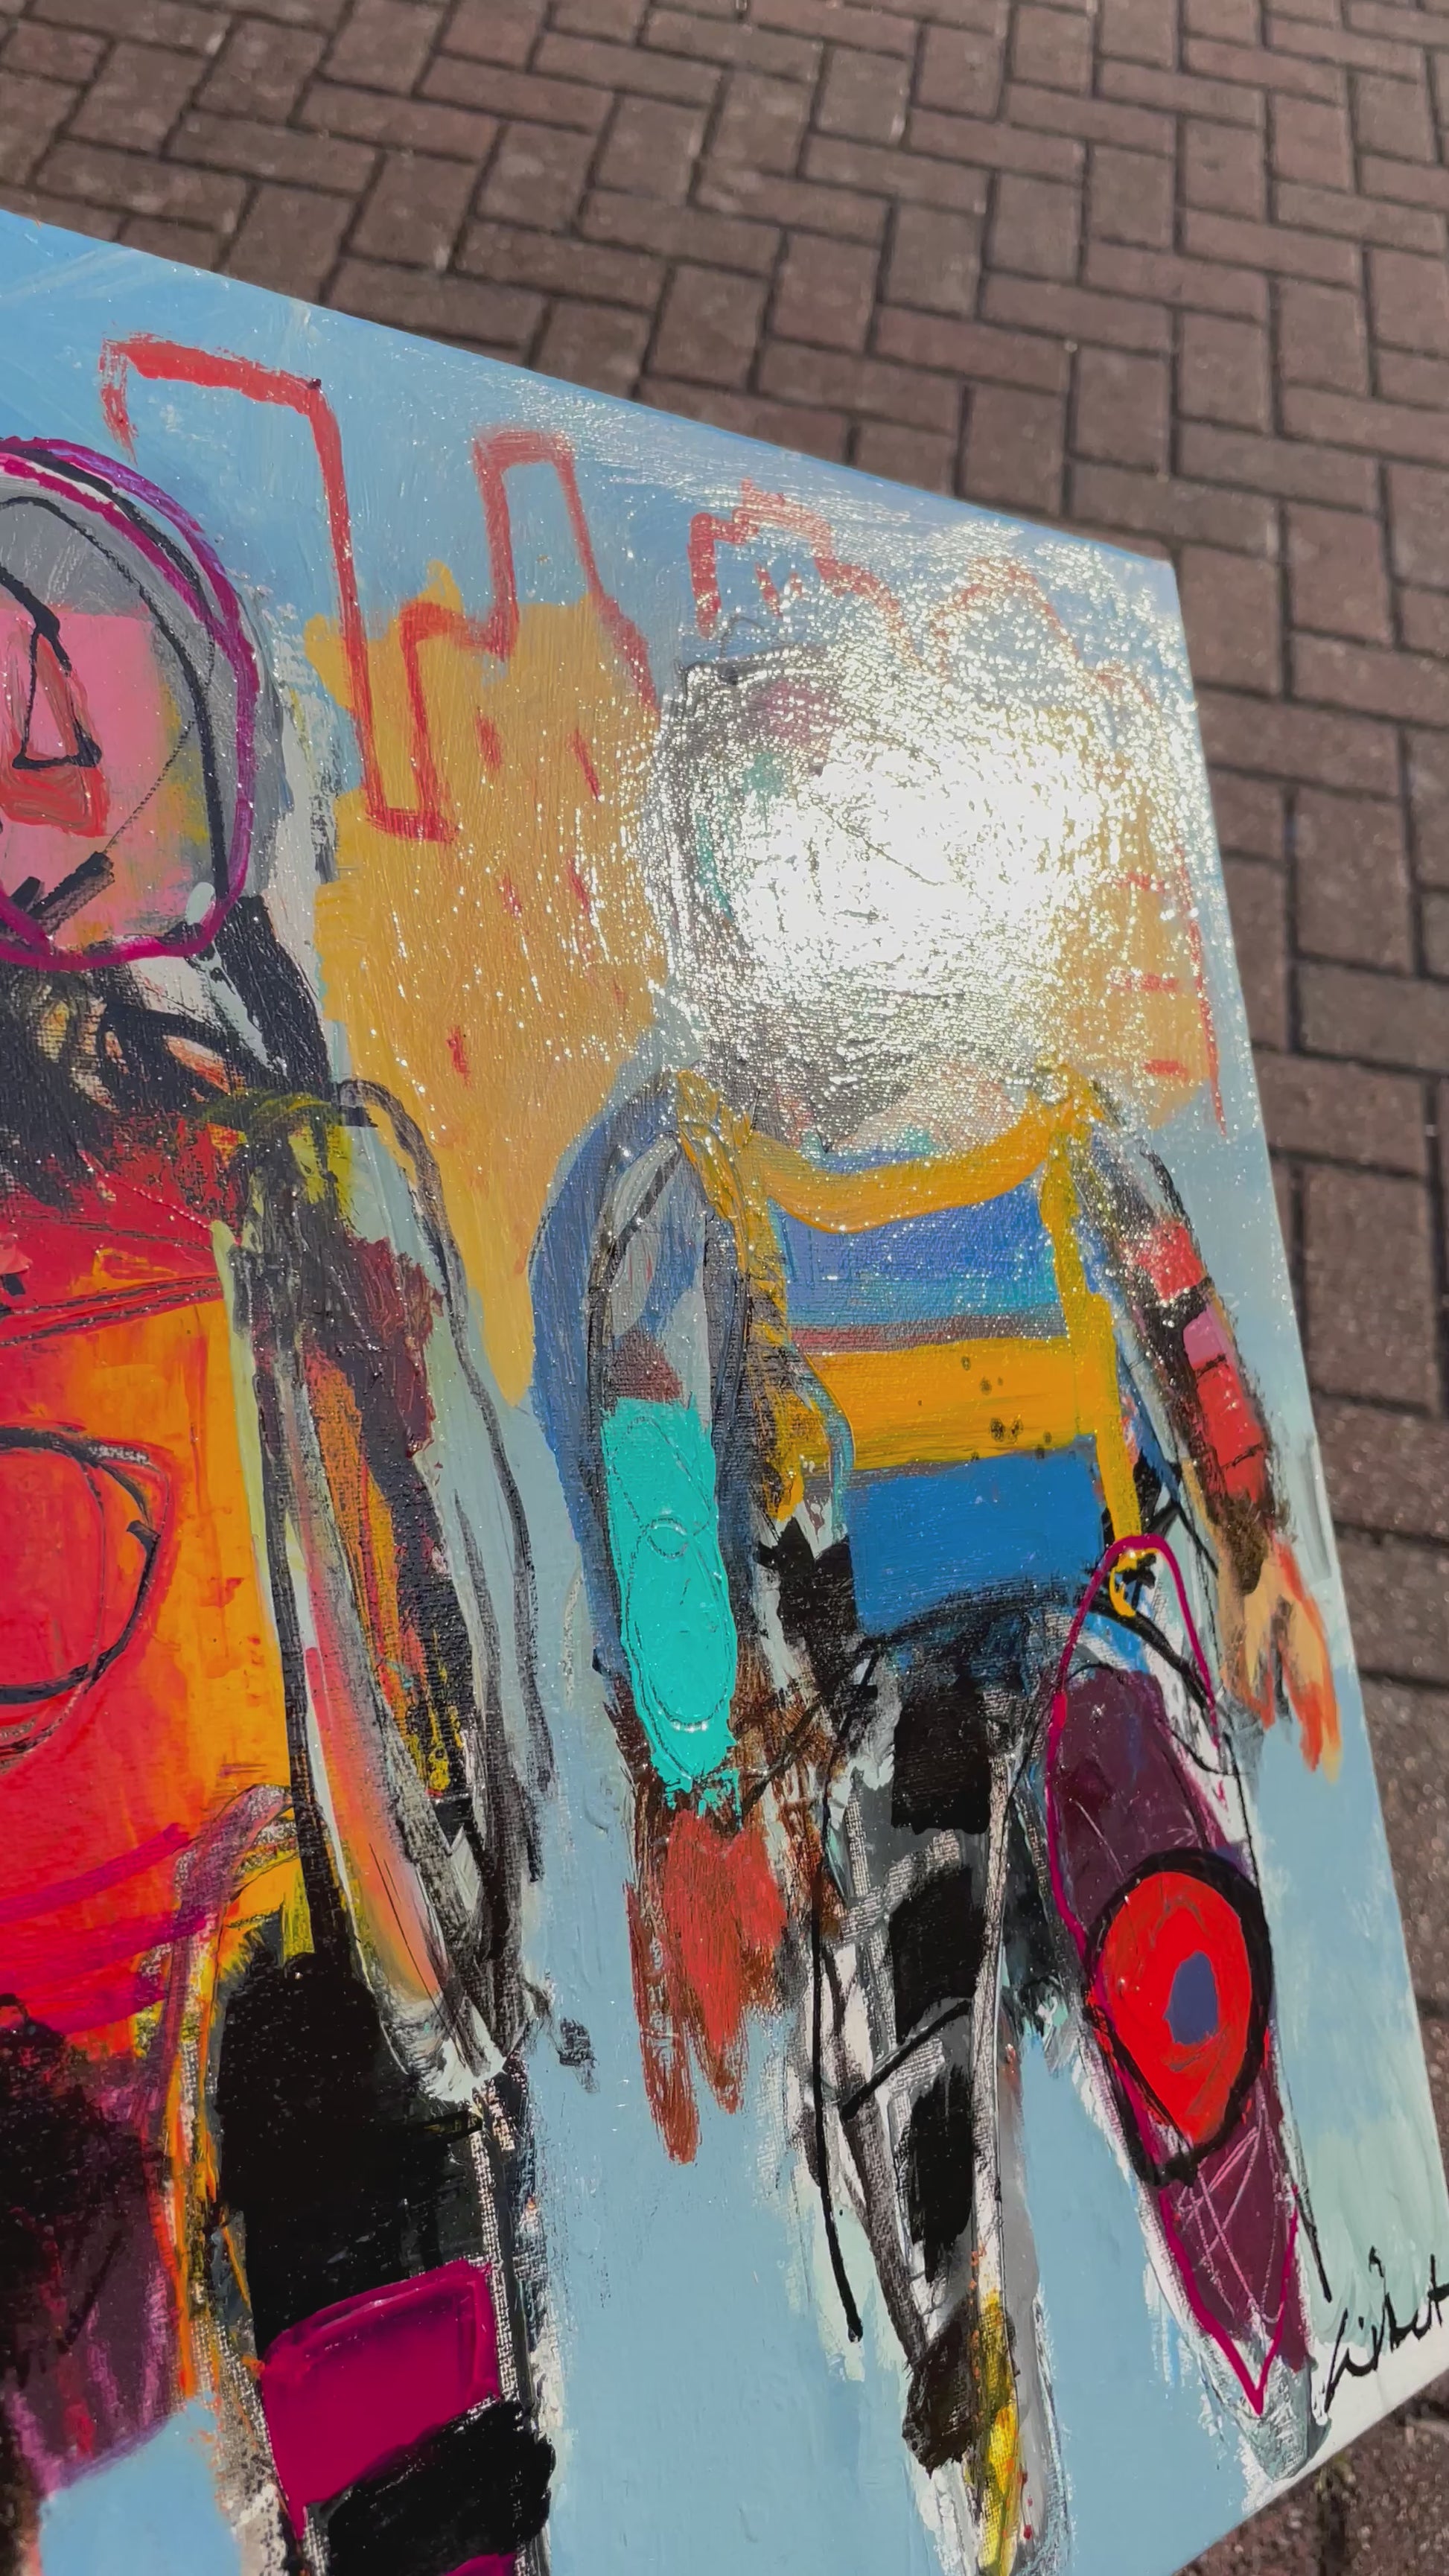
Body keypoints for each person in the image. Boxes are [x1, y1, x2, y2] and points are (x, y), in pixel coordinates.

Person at [532, 541, 1340, 2575]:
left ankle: (1274, 2360)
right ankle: (980, 2494)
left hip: (1102, 1635)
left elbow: (1181, 1312)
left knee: (1186, 1971)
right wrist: (700, 1774)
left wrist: (1254, 1542)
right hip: (879, 1702)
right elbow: (655, 1471)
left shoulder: (1051, 1114)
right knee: (922, 2109)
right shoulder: (685, 1166)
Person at [0, 440, 553, 2576]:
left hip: (266, 1975)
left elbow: (430, 1607)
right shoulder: (282, 1163)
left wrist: (442, 1953)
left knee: (385, 2315)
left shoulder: (278, 1170)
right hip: (255, 1994)